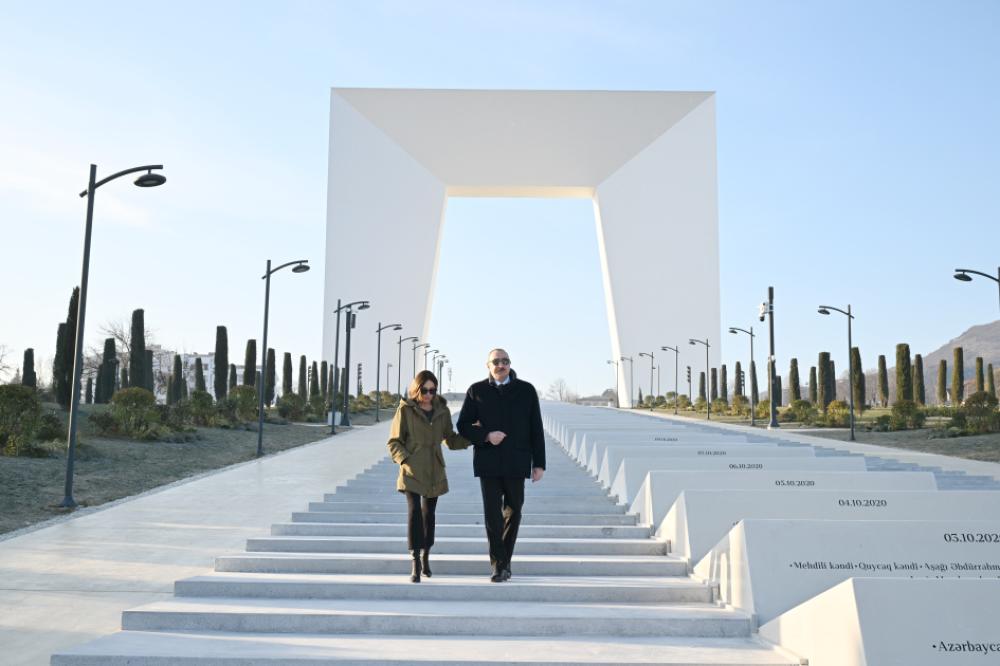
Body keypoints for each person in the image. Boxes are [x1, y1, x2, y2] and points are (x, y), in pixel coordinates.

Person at [457, 348, 546, 582]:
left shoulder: (526, 390)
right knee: (493, 516)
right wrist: (486, 436)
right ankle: (499, 565)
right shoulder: (476, 391)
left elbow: (536, 428)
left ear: (510, 364)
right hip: (488, 461)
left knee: (514, 511)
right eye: (496, 361)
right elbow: (463, 425)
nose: (501, 365)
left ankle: (504, 560)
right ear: (488, 365)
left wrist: (539, 464)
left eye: (505, 361)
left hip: (517, 460)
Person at [386, 370, 470, 583]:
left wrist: (473, 437)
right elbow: (394, 442)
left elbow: (450, 440)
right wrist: (406, 460)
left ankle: (426, 556)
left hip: (434, 469)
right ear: (417, 388)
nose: (429, 395)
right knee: (414, 512)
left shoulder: (442, 410)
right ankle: (415, 560)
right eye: (425, 390)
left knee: (429, 515)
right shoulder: (405, 410)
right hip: (412, 470)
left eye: (433, 390)